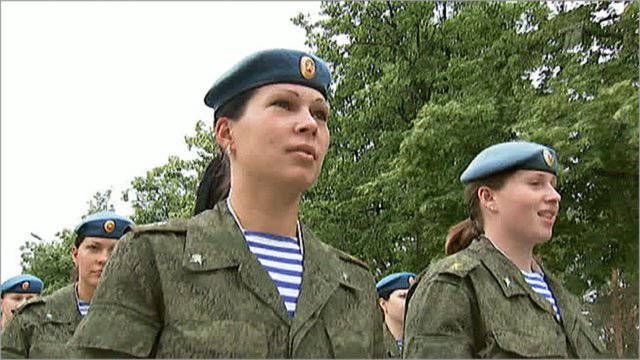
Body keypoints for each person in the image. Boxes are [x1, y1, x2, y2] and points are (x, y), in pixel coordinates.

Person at [68, 48, 384, 358]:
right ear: (225, 132)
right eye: (284, 105)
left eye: (320, 114)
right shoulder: (155, 256)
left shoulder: (352, 282)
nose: (309, 124)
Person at [403, 141, 606, 358]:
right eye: (536, 183)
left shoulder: (559, 294)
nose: (554, 195)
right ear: (488, 198)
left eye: (553, 184)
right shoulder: (451, 286)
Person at [1, 211, 134, 358]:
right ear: (75, 254)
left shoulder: (148, 321)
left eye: (116, 250)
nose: (104, 258)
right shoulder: (32, 320)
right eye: (94, 248)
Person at [376, 272, 416, 358]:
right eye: (403, 296)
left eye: (414, 296)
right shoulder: (372, 344)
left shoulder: (425, 339)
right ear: (383, 303)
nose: (410, 301)